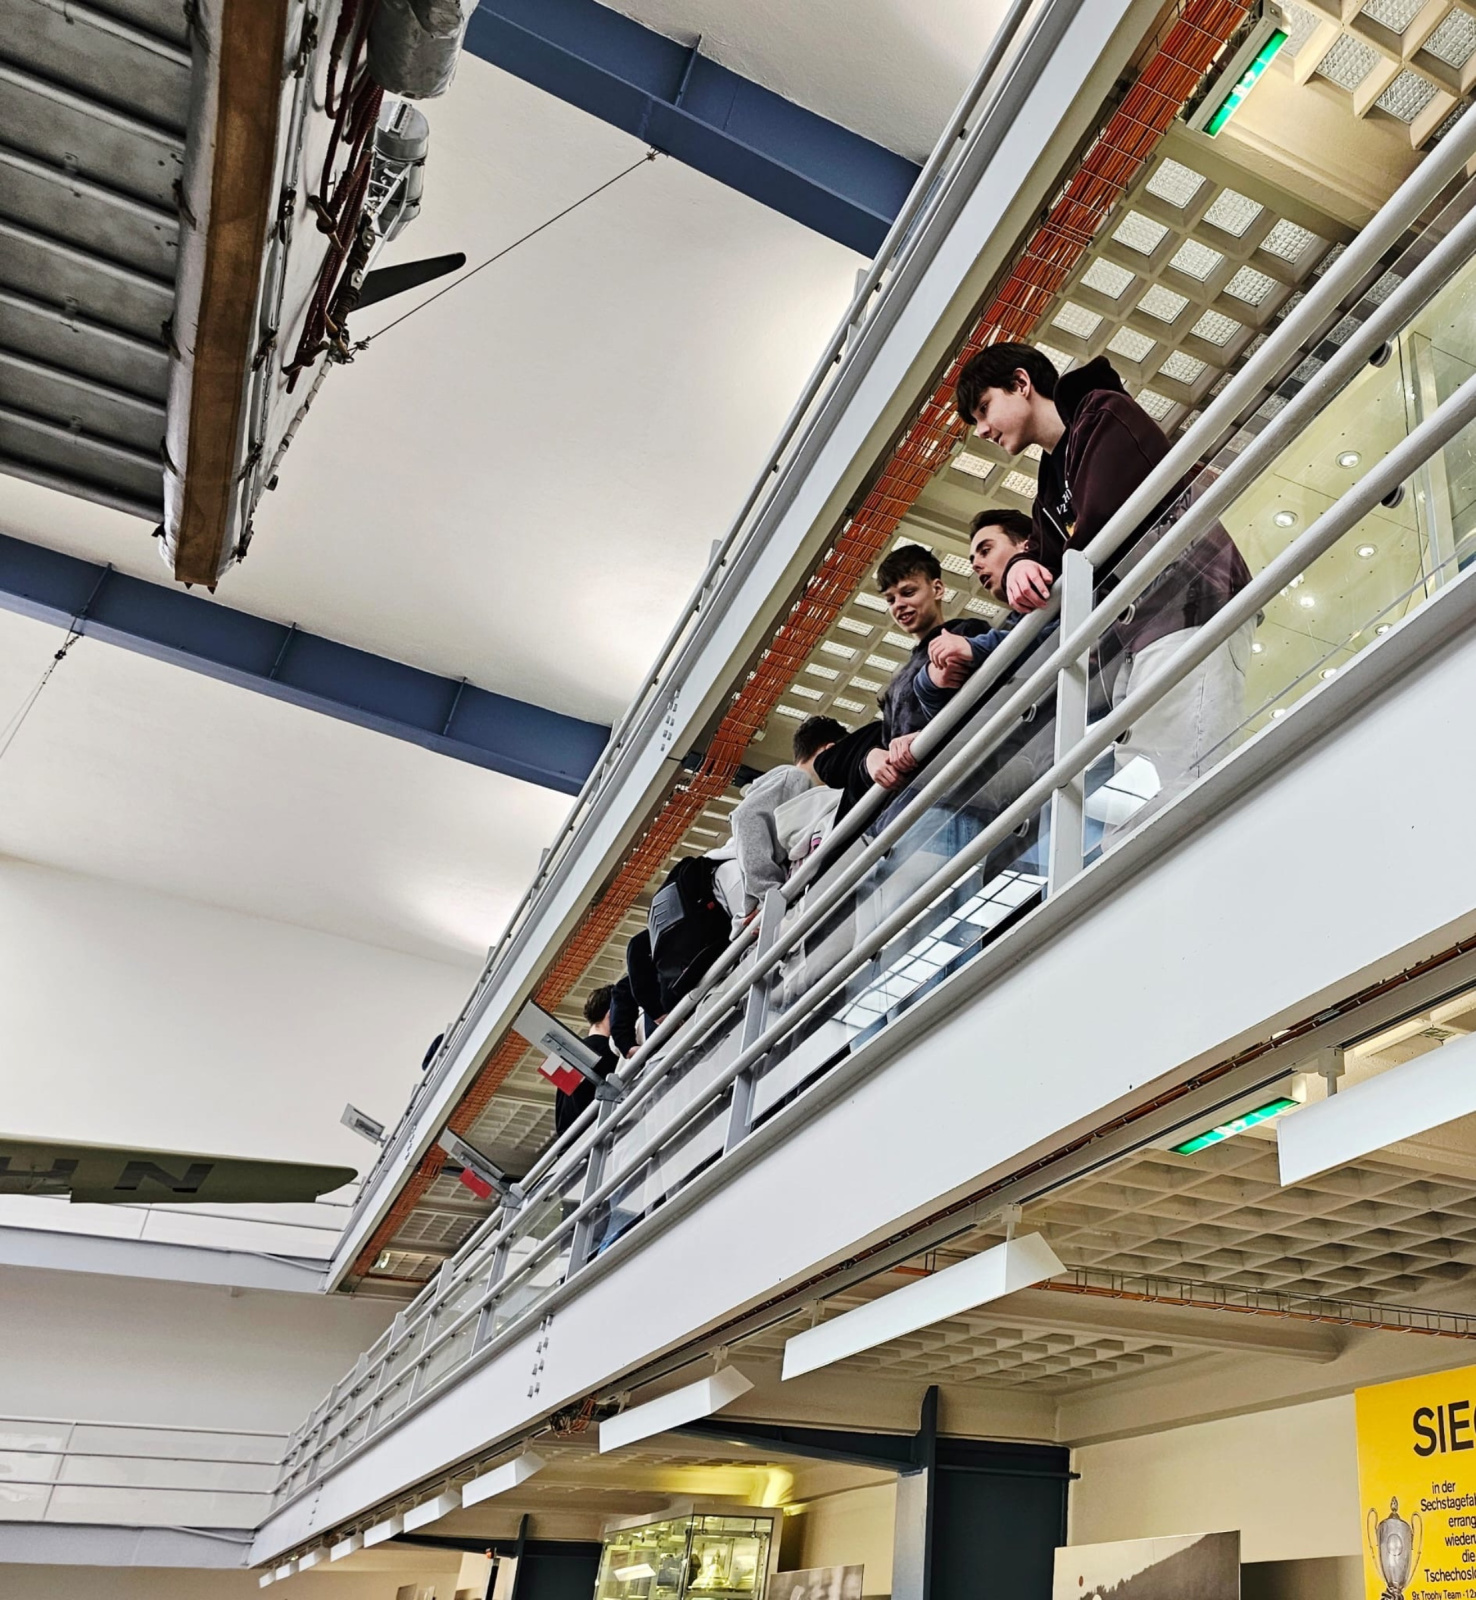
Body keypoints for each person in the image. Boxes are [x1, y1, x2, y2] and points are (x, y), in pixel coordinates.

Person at [952, 343, 1253, 809]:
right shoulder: (1049, 488)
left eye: (984, 409)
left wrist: (1043, 563)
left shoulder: (1103, 413)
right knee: (1143, 806)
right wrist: (1018, 564)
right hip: (1140, 640)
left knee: (1184, 793)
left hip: (1193, 609)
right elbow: (1049, 559)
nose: (983, 430)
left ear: (1021, 383)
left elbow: (1101, 527)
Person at [812, 543, 999, 827]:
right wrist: (871, 757)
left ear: (937, 589)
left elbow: (983, 707)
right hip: (906, 806)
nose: (898, 604)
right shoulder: (898, 683)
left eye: (908, 592)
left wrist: (922, 737)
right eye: (890, 599)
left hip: (952, 793)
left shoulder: (965, 633)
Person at [728, 714, 845, 922]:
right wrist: (769, 894)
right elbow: (745, 817)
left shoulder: (793, 782)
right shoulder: (795, 777)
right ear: (830, 750)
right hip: (768, 903)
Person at [553, 985, 618, 1136]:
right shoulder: (610, 1051)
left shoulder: (567, 1053)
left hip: (570, 1142)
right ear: (611, 1014)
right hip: (596, 1138)